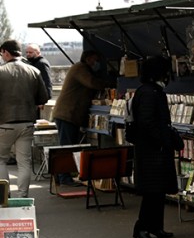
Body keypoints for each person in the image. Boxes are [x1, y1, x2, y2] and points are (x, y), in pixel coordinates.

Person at [129, 56, 183, 238]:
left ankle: (155, 226)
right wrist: (163, 140)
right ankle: (143, 227)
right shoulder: (151, 93)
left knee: (157, 191)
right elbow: (147, 122)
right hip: (152, 150)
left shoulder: (147, 91)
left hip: (152, 149)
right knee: (153, 191)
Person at [52, 50, 112, 187]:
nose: (96, 63)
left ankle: (65, 175)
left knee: (69, 145)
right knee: (67, 147)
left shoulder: (80, 68)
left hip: (70, 114)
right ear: (89, 59)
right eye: (95, 60)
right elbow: (91, 83)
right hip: (67, 114)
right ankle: (64, 177)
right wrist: (108, 82)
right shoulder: (80, 68)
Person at [0, 40, 51, 198]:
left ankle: (4, 197)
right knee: (24, 162)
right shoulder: (33, 71)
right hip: (27, 122)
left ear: (6, 52)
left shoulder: (1, 71)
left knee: (1, 160)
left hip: (4, 122)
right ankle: (22, 197)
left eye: (1, 53)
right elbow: (43, 97)